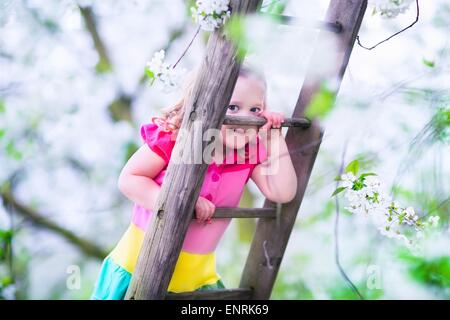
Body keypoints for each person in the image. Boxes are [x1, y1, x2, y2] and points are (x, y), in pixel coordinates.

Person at [91, 64, 298, 299]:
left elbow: (282, 192)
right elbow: (129, 179)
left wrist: (274, 138)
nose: (245, 118)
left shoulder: (248, 154)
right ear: (203, 104)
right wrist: (184, 202)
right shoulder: (176, 138)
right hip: (136, 269)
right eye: (233, 107)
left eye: (255, 109)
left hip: (195, 281)